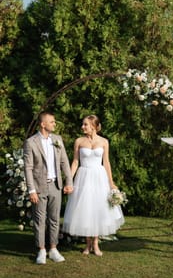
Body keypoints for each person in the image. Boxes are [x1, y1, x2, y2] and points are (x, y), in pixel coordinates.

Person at [63, 115, 124, 256]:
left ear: (93, 126)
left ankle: (95, 244)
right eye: (83, 124)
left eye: (85, 124)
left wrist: (111, 182)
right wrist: (69, 180)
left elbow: (106, 162)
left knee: (97, 208)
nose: (82, 127)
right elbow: (75, 162)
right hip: (83, 177)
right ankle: (87, 244)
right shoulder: (79, 141)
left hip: (99, 177)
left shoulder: (104, 142)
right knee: (85, 209)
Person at [24, 111, 73, 264]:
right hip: (39, 187)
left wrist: (69, 182)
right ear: (43, 124)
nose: (54, 124)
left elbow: (64, 162)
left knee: (54, 219)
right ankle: (41, 250)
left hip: (56, 186)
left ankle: (53, 249)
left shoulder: (57, 139)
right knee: (39, 220)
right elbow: (28, 167)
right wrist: (31, 190)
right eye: (52, 121)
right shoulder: (31, 142)